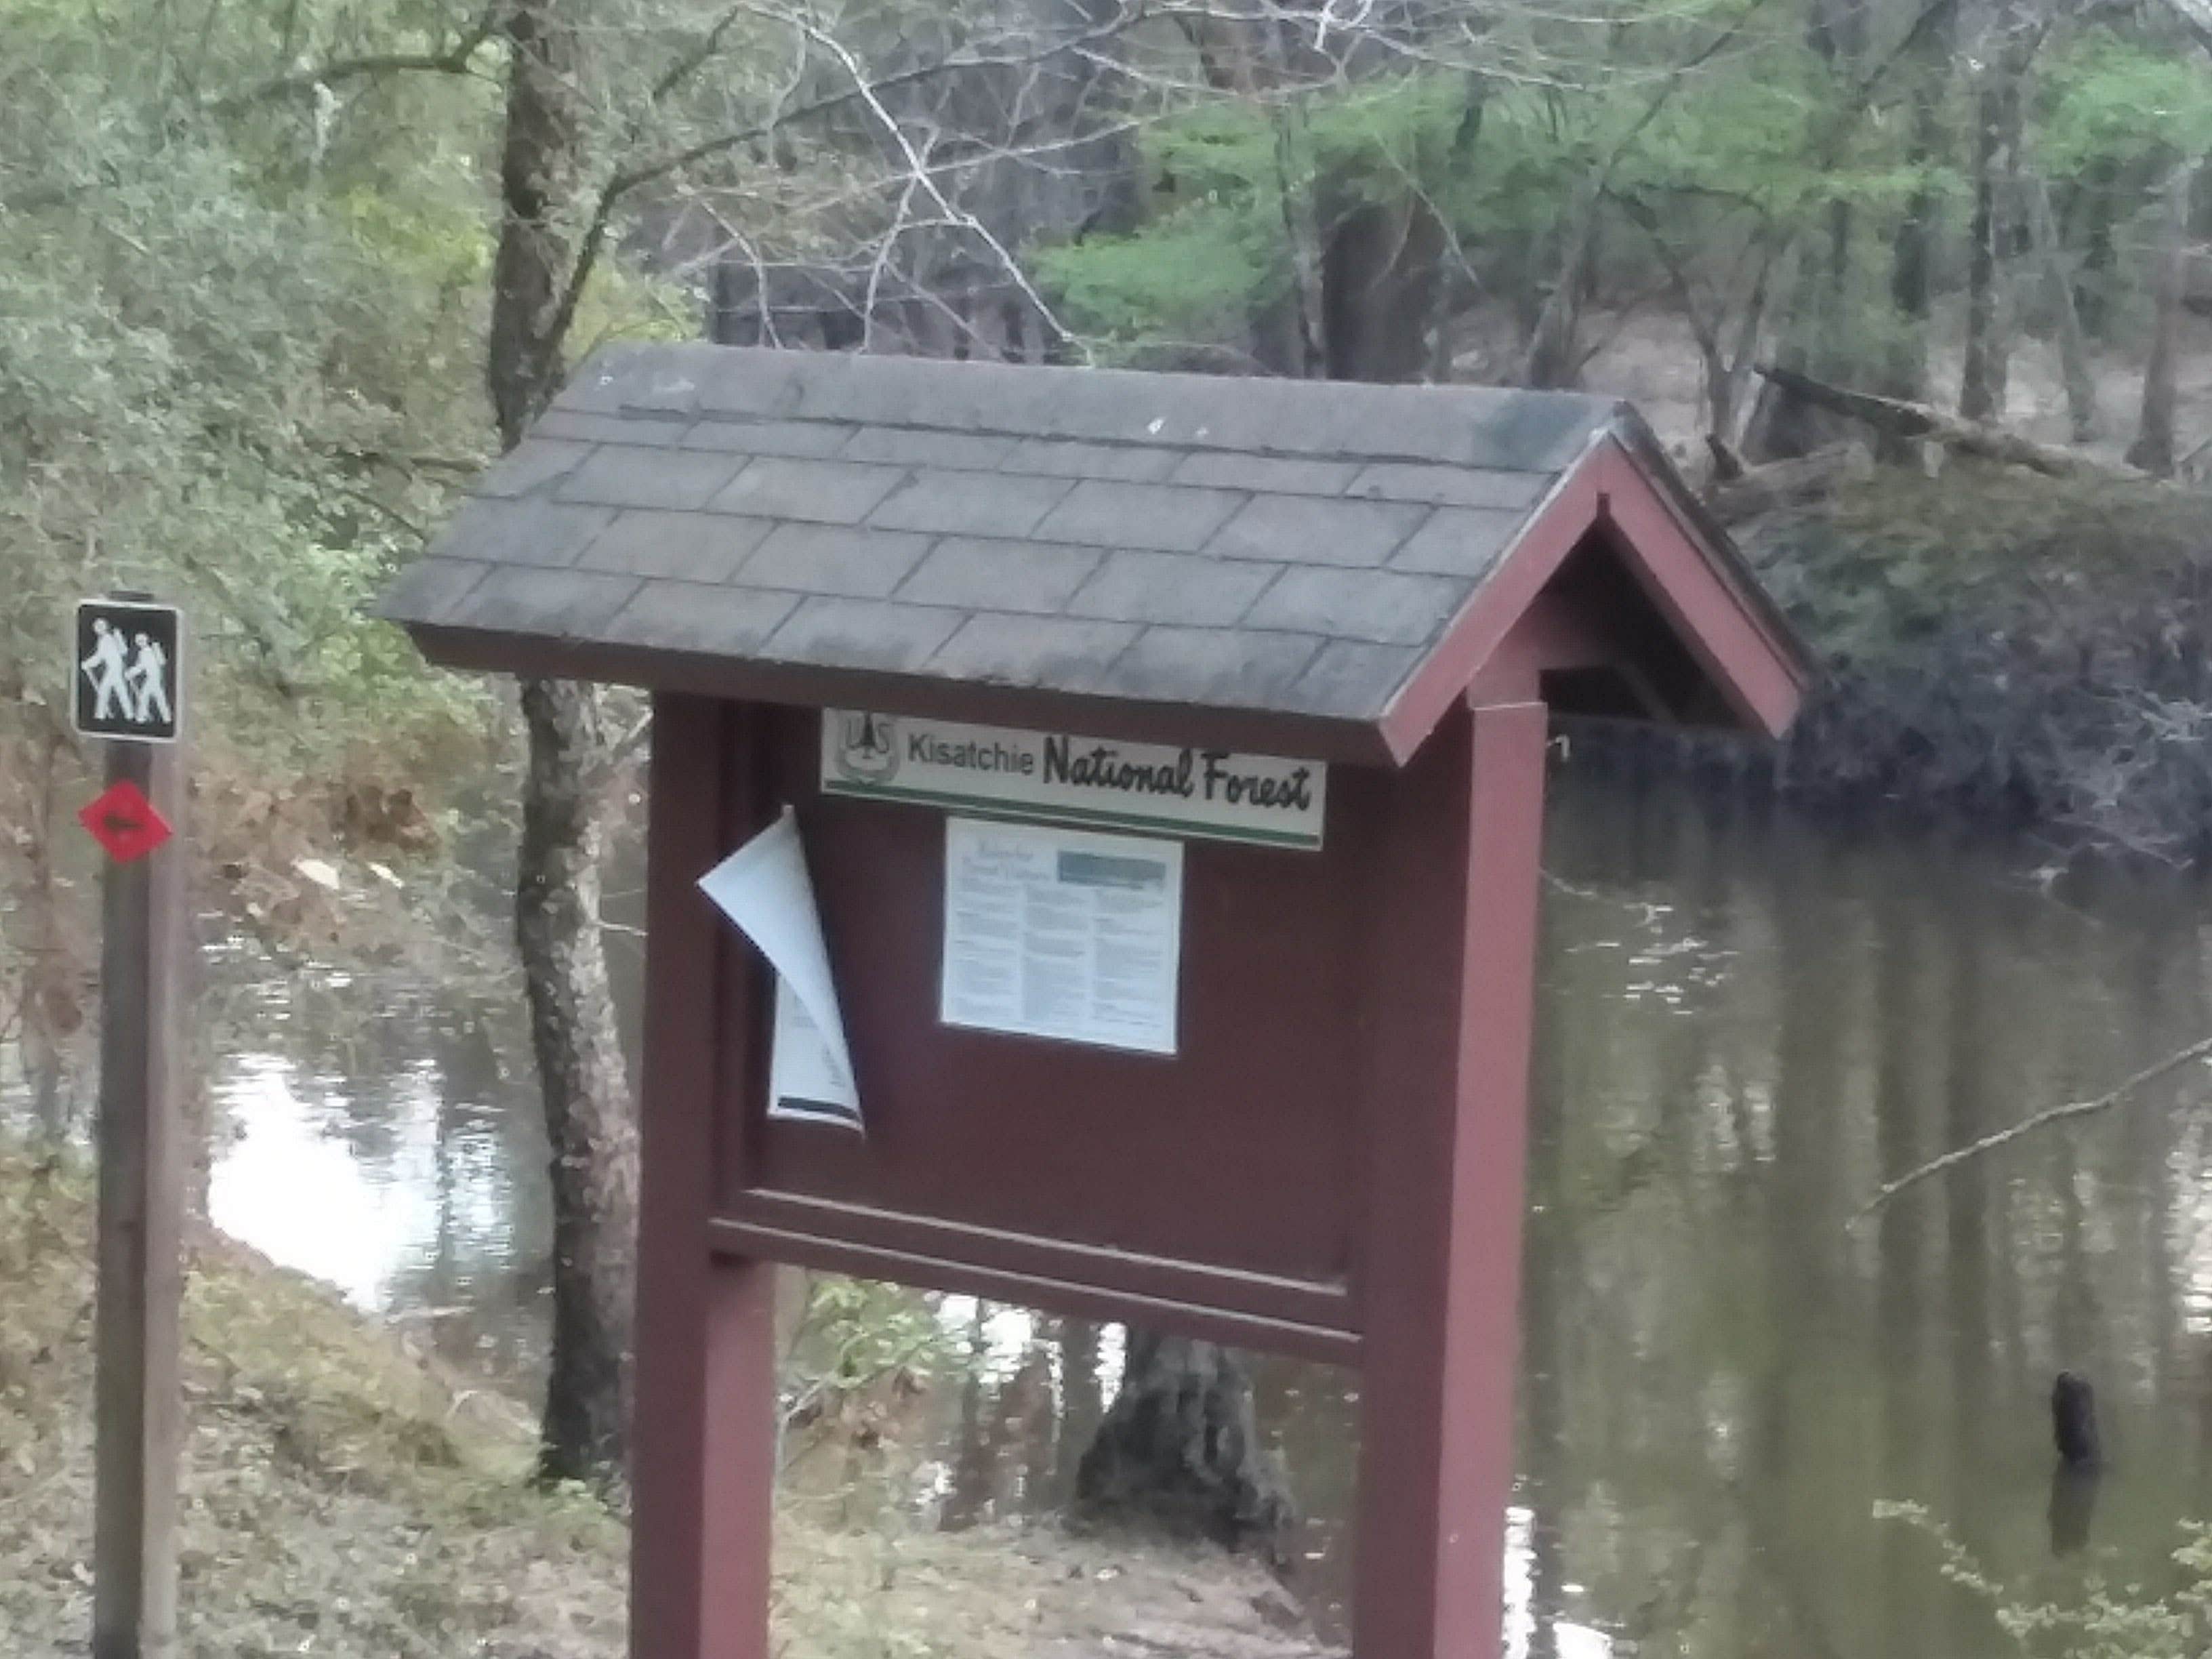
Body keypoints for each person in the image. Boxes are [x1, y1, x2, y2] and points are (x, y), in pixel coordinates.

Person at [79, 617, 130, 720]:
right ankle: (129, 714)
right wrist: (88, 664)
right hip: (114, 668)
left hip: (114, 668)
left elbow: (99, 657)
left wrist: (87, 664)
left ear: (106, 627)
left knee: (105, 691)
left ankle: (100, 715)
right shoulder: (104, 639)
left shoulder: (106, 639)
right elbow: (100, 657)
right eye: (96, 627)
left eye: (101, 626)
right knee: (119, 691)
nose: (98, 628)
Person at [126, 631, 171, 726]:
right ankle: (165, 718)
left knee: (146, 697)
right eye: (138, 641)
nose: (140, 643)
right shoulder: (144, 652)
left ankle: (142, 718)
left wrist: (131, 672)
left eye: (141, 641)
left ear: (146, 640)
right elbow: (141, 666)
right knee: (155, 698)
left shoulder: (147, 652)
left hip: (154, 678)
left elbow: (142, 666)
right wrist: (132, 672)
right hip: (152, 677)